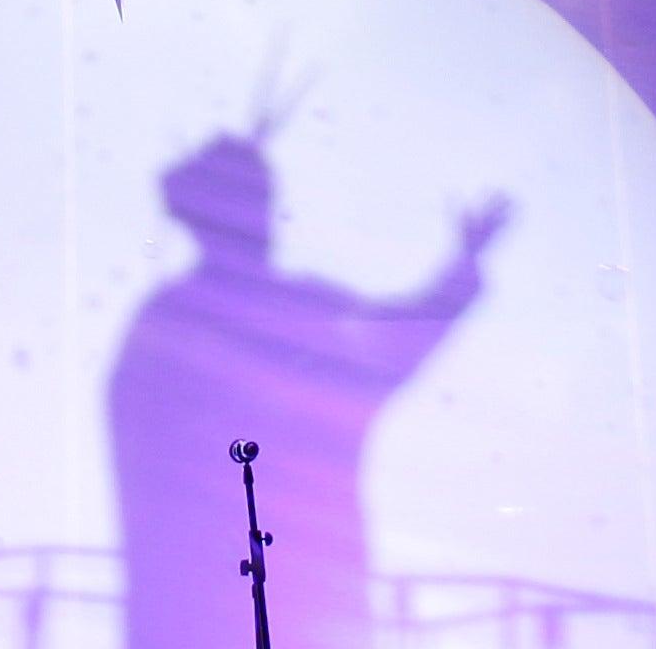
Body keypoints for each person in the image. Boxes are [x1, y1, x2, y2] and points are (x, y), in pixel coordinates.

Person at [103, 136, 504, 644]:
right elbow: (391, 347)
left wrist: (461, 272)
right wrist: (461, 273)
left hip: (201, 610)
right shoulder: (291, 313)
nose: (267, 216)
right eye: (257, 200)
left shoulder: (165, 324)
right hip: (299, 606)